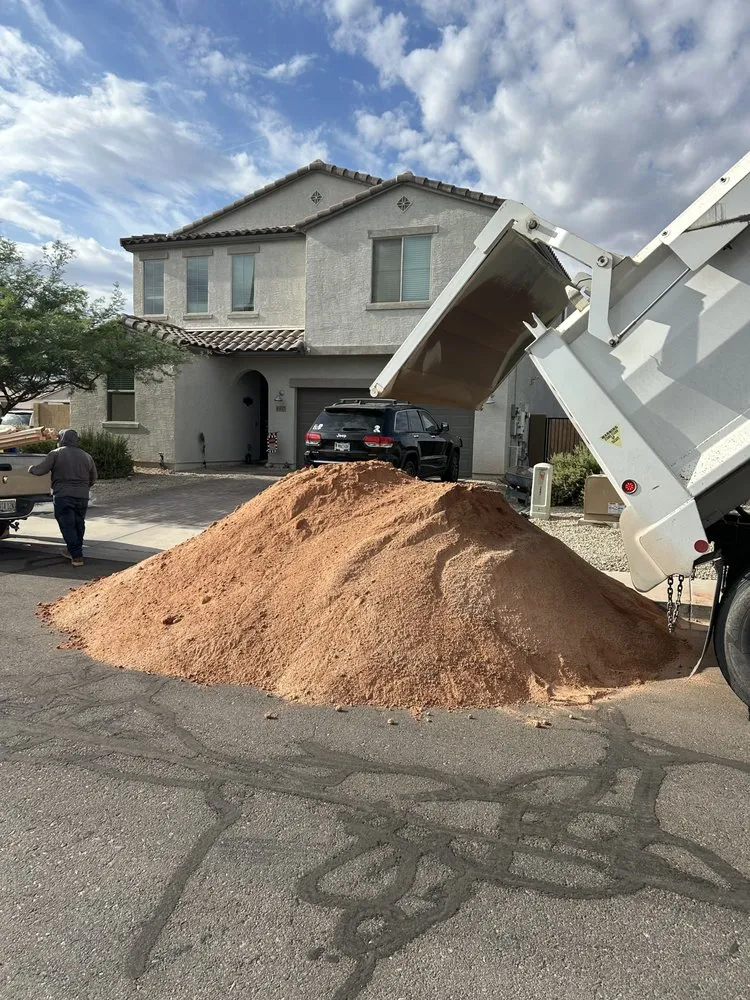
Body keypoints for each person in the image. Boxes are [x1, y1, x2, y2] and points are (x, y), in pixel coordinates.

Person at [28, 429, 97, 567]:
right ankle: (73, 550)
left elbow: (41, 470)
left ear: (62, 439)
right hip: (82, 496)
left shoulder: (56, 454)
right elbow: (93, 478)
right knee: (79, 524)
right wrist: (83, 487)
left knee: (67, 525)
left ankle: (77, 556)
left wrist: (31, 469)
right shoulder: (87, 456)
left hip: (63, 495)